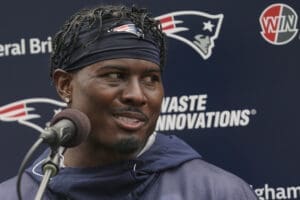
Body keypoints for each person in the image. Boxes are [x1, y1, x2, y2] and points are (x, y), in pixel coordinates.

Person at [0, 4, 258, 200]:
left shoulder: (215, 192)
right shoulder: (20, 194)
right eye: (114, 76)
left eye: (150, 79)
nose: (137, 95)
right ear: (65, 85)